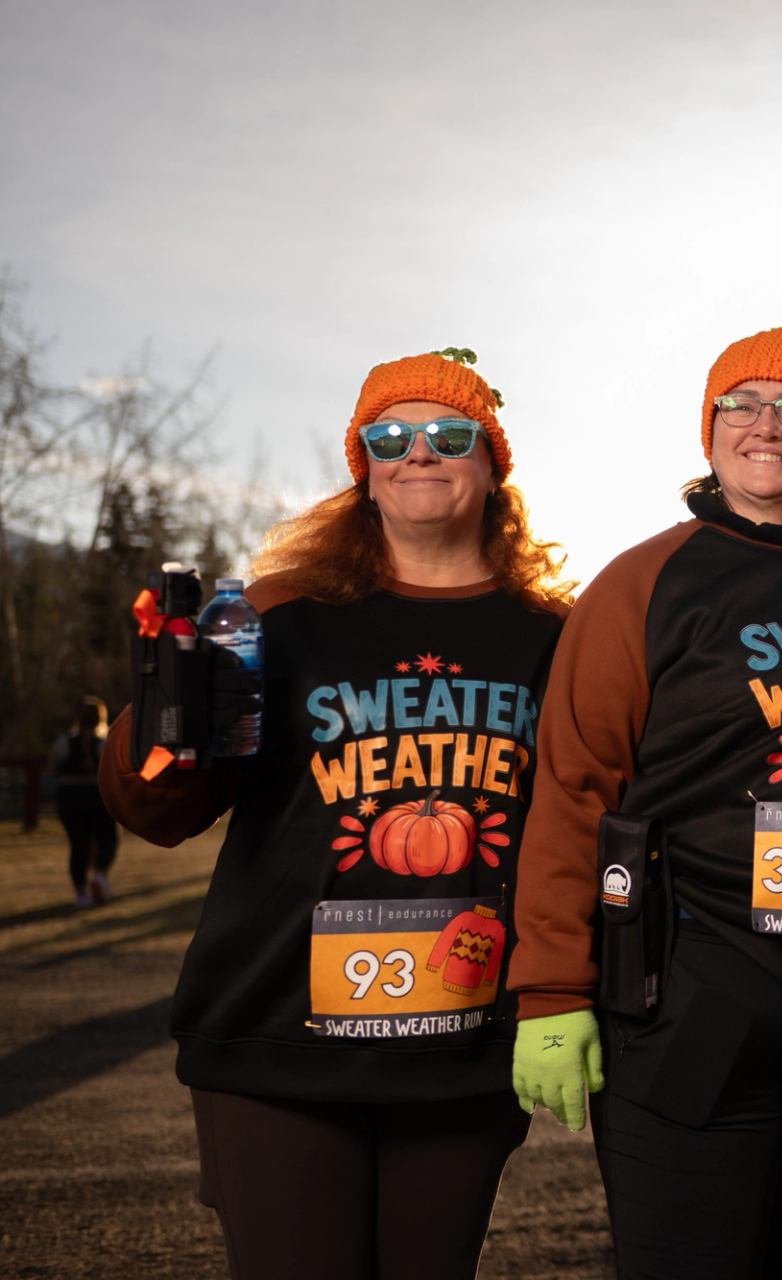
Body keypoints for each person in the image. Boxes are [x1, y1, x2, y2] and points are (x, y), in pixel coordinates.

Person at [98, 349, 570, 1280]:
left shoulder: (553, 636)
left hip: (460, 1042)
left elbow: (578, 823)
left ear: (492, 464)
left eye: (450, 435)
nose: (418, 453)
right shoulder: (278, 615)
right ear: (362, 467)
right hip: (278, 1037)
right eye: (388, 437)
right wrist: (165, 711)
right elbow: (156, 810)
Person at [508, 324, 782, 1279]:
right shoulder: (646, 580)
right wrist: (550, 989)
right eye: (739, 403)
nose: (766, 424)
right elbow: (575, 785)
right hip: (701, 1004)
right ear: (708, 434)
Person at [50, 695, 117, 906]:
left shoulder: (64, 742)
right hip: (97, 795)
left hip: (68, 796)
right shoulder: (103, 744)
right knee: (108, 839)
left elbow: (52, 767)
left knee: (78, 844)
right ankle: (99, 874)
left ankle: (81, 893)